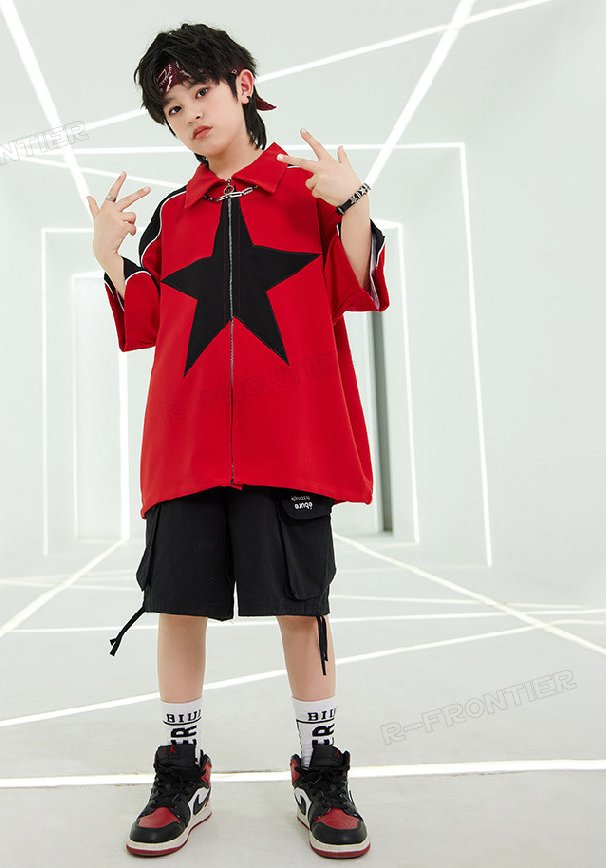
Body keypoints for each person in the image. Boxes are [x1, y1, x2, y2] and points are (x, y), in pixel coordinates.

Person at [87, 21, 389, 860]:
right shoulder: (171, 216)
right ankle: (181, 767)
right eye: (172, 108)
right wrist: (111, 256)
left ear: (243, 85)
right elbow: (147, 322)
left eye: (201, 92)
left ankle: (320, 767)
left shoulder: (307, 191)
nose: (190, 114)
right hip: (185, 447)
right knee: (178, 604)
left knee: (302, 607)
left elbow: (357, 286)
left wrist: (354, 203)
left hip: (289, 444)